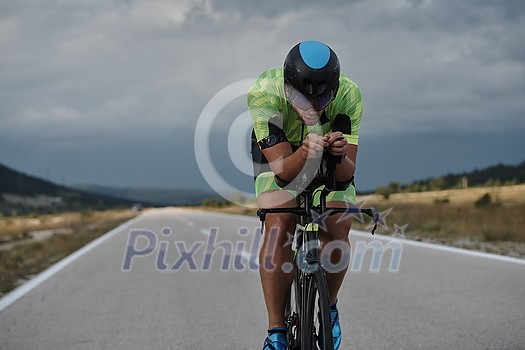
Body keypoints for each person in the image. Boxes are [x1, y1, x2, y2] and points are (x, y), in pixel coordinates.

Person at [248, 40, 363, 350]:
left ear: (336, 89)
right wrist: (306, 147)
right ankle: (277, 333)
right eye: (305, 98)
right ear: (287, 89)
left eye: (324, 98)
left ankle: (329, 307)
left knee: (337, 224)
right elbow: (285, 172)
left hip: (325, 155)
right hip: (280, 154)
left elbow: (345, 177)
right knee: (279, 224)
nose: (315, 106)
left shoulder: (349, 95)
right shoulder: (264, 92)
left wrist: (337, 156)